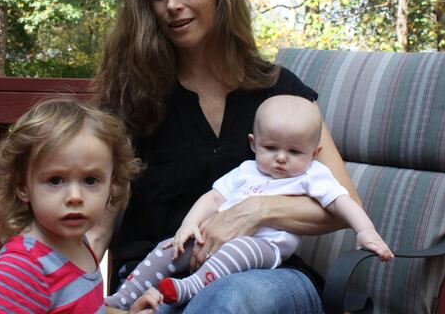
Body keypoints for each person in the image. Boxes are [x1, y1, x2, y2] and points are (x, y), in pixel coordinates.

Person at [91, 0, 363, 314]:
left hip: (267, 276)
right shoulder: (135, 98)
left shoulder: (281, 92)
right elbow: (98, 220)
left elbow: (344, 203)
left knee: (225, 299)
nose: (172, 4)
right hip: (155, 279)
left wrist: (254, 211)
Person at [105, 95, 393, 308]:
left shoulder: (314, 175)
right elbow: (214, 197)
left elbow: (342, 202)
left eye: (294, 151)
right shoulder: (246, 170)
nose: (281, 157)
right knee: (169, 247)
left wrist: (365, 231)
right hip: (212, 241)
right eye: (270, 148)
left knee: (242, 248)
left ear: (314, 153)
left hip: (264, 249)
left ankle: (190, 287)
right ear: (254, 143)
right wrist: (189, 225)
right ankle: (121, 298)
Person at [0, 97, 163, 314]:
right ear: (23, 186)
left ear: (112, 185)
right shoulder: (26, 265)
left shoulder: (79, 245)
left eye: (90, 180)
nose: (74, 196)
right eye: (55, 180)